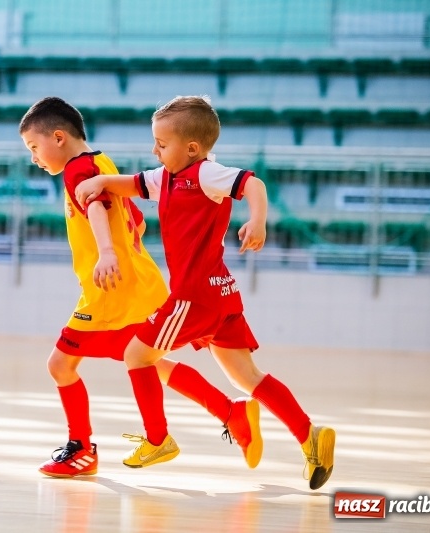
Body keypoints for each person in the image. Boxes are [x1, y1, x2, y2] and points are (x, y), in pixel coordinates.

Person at [74, 95, 336, 490]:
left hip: (193, 297)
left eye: (162, 144)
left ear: (192, 148)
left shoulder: (206, 175)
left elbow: (253, 184)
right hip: (220, 294)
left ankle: (158, 439)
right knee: (247, 377)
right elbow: (134, 184)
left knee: (136, 355)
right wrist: (101, 182)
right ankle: (309, 436)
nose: (155, 151)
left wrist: (258, 221)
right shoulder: (168, 176)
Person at [19, 96, 262, 478]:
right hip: (138, 281)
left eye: (34, 147)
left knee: (60, 364)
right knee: (151, 362)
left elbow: (97, 207)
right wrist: (120, 246)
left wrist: (106, 252)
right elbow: (136, 217)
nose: (34, 157)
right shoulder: (101, 162)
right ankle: (230, 411)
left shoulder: (77, 170)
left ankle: (82, 448)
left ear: (59, 137)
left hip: (110, 291)